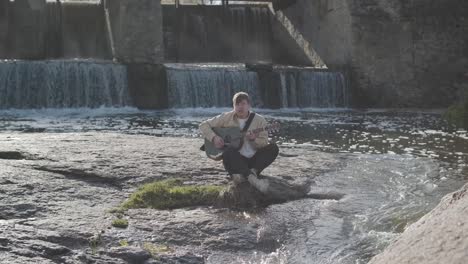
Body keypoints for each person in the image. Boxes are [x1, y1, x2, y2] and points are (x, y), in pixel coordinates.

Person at [199, 92, 279, 187]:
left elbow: (263, 144)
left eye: (243, 104)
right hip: (236, 160)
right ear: (233, 106)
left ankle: (252, 172)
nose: (240, 107)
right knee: (228, 151)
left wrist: (253, 140)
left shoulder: (260, 120)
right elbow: (203, 125)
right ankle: (250, 177)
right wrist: (214, 137)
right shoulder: (226, 117)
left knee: (274, 148)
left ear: (249, 105)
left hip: (254, 161)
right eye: (237, 104)